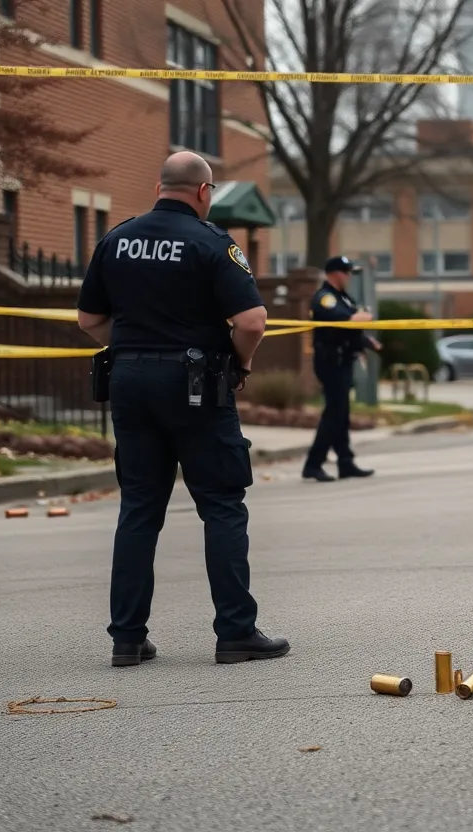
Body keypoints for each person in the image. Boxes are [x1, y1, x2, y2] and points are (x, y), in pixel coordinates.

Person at [76, 150, 290, 667]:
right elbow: (253, 321)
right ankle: (235, 633)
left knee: (139, 510)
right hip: (196, 384)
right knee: (220, 505)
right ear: (203, 192)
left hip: (129, 381)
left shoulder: (116, 239)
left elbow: (89, 319)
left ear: (157, 188)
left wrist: (134, 345)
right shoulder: (212, 241)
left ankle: (127, 638)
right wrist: (239, 362)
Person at [301, 255, 382, 483]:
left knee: (340, 414)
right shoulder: (325, 298)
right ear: (336, 273)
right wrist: (360, 318)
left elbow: (351, 327)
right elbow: (344, 320)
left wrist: (367, 342)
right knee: (334, 415)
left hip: (342, 360)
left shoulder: (342, 297)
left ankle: (345, 462)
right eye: (346, 272)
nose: (348, 277)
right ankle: (313, 464)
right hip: (331, 362)